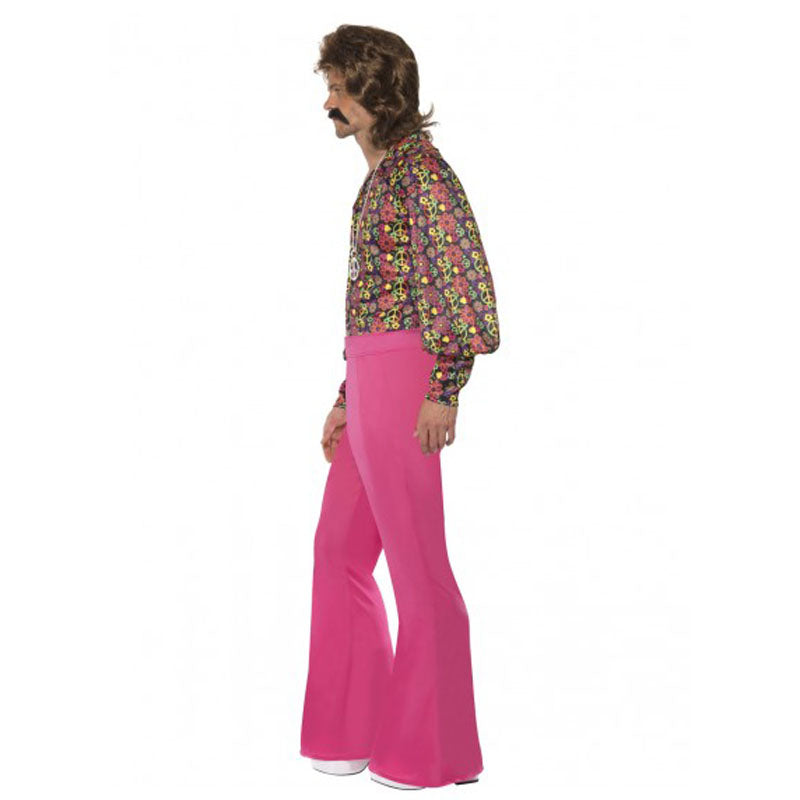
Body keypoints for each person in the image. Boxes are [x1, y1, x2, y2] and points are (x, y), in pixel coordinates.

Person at [299, 24, 501, 790]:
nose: (329, 103)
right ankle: (350, 728)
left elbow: (464, 285)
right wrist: (345, 398)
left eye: (339, 89)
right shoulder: (383, 178)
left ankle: (434, 750)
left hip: (409, 376)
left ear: (375, 92)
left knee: (418, 567)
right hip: (369, 377)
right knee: (338, 551)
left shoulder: (424, 174)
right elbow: (378, 298)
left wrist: (444, 387)